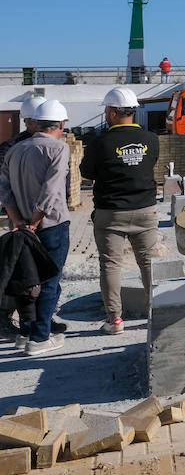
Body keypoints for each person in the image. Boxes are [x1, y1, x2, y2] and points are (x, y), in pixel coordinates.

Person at [82, 87, 160, 335]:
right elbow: (150, 164)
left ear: (114, 113)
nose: (106, 114)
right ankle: (155, 312)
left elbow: (87, 173)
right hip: (145, 210)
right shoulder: (151, 139)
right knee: (148, 263)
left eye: (107, 110)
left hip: (111, 213)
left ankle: (115, 320)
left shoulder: (100, 143)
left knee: (111, 265)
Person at [0, 99, 72, 354]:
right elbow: (52, 190)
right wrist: (35, 221)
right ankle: (40, 338)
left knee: (26, 280)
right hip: (50, 225)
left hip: (20, 227)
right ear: (60, 124)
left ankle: (26, 332)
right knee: (49, 281)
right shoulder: (59, 149)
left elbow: (4, 191)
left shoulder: (14, 150)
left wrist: (19, 221)